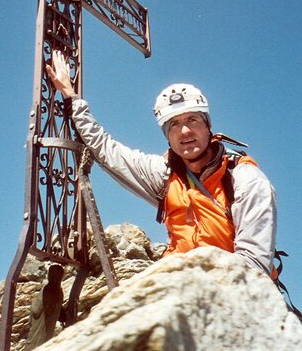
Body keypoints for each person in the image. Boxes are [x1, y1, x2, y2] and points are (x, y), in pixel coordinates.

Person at [46, 50, 277, 276]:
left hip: (230, 292)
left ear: (208, 126)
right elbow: (108, 150)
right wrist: (71, 99)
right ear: (167, 135)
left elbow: (254, 264)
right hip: (177, 283)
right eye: (173, 124)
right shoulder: (166, 175)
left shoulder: (245, 179)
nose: (185, 131)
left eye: (192, 119)